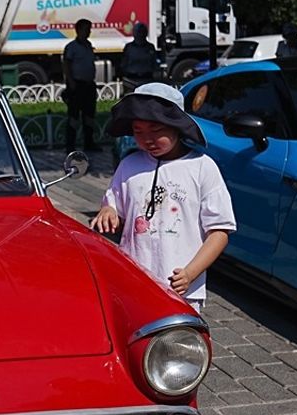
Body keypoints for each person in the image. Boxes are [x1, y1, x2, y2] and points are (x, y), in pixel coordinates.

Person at [91, 83, 235, 314]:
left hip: (181, 289)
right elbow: (114, 206)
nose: (147, 138)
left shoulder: (202, 167)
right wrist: (108, 211)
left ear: (177, 127)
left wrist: (190, 273)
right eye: (138, 131)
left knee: (178, 347)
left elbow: (219, 231)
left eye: (156, 130)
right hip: (133, 283)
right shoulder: (129, 165)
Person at [62, 19, 99, 151]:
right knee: (74, 116)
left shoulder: (89, 45)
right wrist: (70, 81)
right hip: (77, 85)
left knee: (89, 115)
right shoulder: (72, 47)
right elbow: (66, 64)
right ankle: (70, 145)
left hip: (89, 84)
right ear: (78, 30)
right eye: (86, 29)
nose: (89, 32)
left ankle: (89, 142)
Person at [119, 21, 158, 93]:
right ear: (134, 33)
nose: (140, 34)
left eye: (142, 32)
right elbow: (123, 63)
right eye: (138, 32)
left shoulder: (150, 47)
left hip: (147, 79)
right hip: (131, 80)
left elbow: (154, 63)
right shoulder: (129, 47)